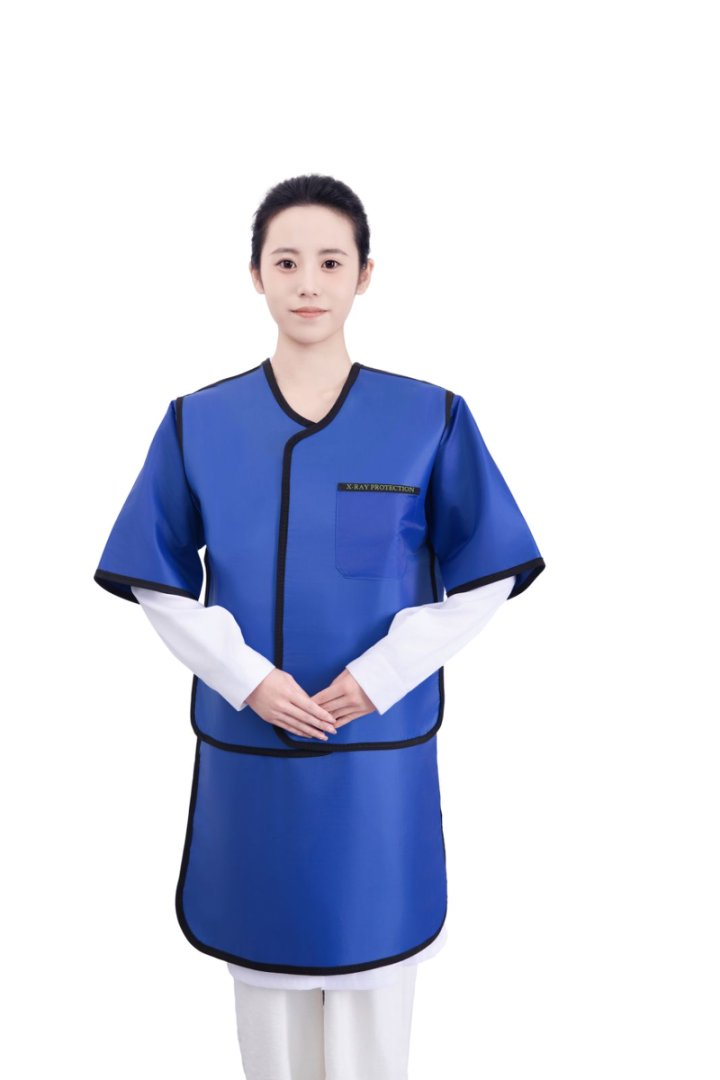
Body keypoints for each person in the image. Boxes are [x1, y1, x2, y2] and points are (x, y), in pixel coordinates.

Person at [93, 173, 546, 1080]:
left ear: (365, 276)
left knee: (376, 985)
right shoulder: (197, 422)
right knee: (268, 995)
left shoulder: (429, 416)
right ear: (255, 275)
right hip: (252, 750)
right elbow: (157, 579)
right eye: (287, 261)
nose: (309, 283)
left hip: (377, 754)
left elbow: (486, 573)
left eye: (331, 262)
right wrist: (248, 679)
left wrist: (379, 678)